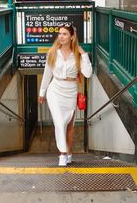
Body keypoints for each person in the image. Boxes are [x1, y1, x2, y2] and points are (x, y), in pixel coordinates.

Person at [38, 23, 92, 166]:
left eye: (64, 34)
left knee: (69, 126)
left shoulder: (78, 55)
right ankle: (62, 154)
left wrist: (84, 55)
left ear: (72, 37)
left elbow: (88, 73)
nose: (61, 37)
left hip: (71, 91)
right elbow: (47, 74)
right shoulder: (53, 53)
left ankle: (68, 151)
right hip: (55, 90)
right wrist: (42, 92)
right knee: (60, 122)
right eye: (60, 34)